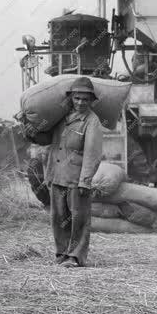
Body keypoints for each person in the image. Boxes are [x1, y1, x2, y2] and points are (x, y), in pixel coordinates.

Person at [44, 76, 103, 268]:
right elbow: (50, 145)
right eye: (77, 98)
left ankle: (76, 256)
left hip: (76, 178)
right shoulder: (63, 118)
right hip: (57, 175)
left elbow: (93, 153)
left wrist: (85, 180)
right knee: (58, 218)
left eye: (85, 99)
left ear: (91, 101)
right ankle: (61, 253)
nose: (80, 103)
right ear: (71, 98)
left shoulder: (91, 121)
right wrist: (49, 174)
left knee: (79, 218)